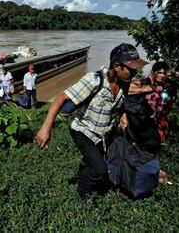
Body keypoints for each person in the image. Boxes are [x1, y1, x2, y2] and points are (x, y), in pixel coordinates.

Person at [35, 43, 148, 202]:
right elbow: (61, 98)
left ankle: (96, 174)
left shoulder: (125, 83)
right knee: (99, 169)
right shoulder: (94, 80)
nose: (135, 71)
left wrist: (123, 116)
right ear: (116, 66)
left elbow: (121, 103)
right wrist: (45, 129)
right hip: (83, 130)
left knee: (108, 160)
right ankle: (83, 190)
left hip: (104, 132)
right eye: (131, 68)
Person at [145, 61, 171, 143]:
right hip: (147, 121)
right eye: (159, 73)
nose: (162, 75)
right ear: (153, 72)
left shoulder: (163, 86)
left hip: (158, 120)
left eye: (164, 73)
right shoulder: (146, 83)